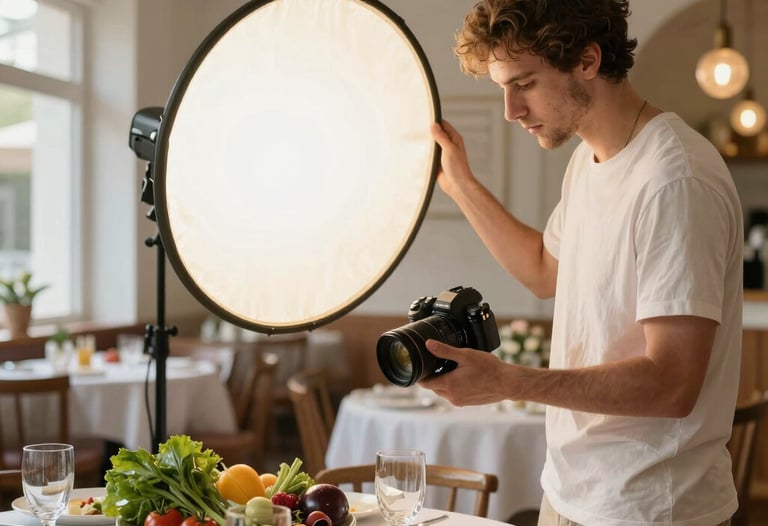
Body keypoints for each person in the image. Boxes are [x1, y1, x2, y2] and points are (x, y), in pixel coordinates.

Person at [419, 1, 744, 525]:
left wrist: (508, 381)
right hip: (571, 494)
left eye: (523, 83)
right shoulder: (589, 161)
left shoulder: (675, 179)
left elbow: (672, 383)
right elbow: (545, 271)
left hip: (653, 510)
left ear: (587, 61)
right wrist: (461, 186)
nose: (511, 110)